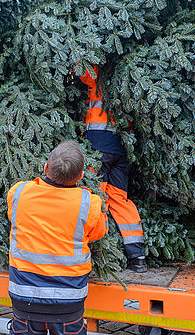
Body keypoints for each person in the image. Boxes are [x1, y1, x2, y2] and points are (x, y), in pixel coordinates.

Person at [7, 141, 108, 335]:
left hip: (24, 297)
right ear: (81, 176)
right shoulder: (89, 203)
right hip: (68, 301)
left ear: (45, 168)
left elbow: (13, 219)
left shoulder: (19, 192)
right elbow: (98, 233)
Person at [80, 65, 148, 273]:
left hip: (99, 149)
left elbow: (82, 70)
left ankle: (104, 251)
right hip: (121, 152)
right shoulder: (132, 79)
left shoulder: (98, 77)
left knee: (97, 199)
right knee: (120, 201)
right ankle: (137, 257)